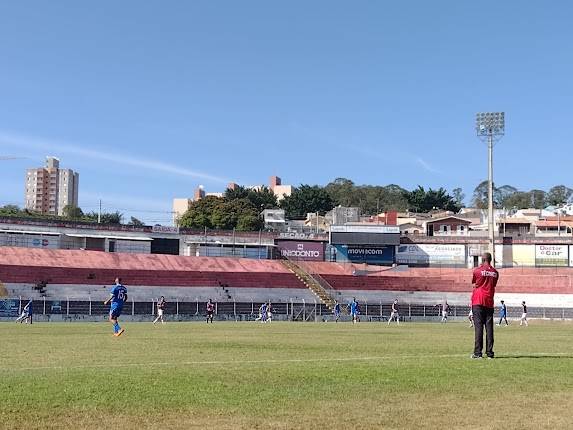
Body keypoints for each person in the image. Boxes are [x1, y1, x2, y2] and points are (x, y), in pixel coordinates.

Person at [471, 253, 498, 359]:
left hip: (478, 301)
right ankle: (490, 353)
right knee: (489, 328)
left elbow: (474, 283)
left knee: (478, 328)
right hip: (489, 302)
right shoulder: (495, 272)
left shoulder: (477, 271)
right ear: (491, 259)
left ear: (482, 259)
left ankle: (478, 353)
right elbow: (493, 285)